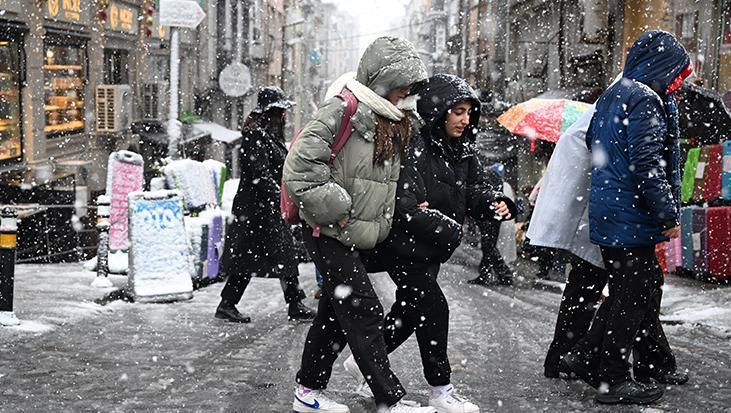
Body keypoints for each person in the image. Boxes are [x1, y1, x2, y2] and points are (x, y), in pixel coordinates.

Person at [343, 74, 516, 413]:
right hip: (402, 246)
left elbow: (475, 190)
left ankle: (364, 362)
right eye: (458, 112)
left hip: (429, 248)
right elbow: (406, 206)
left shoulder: (464, 152)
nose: (466, 120)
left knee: (409, 312)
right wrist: (450, 228)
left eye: (469, 112)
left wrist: (496, 201)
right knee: (434, 308)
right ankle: (441, 390)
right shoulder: (415, 146)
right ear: (439, 111)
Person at [284, 37, 436, 413]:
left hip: (348, 232)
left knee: (336, 314)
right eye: (401, 83)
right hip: (326, 229)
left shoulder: (391, 120)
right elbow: (300, 169)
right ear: (381, 80)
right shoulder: (343, 109)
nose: (406, 92)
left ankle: (307, 393)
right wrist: (338, 206)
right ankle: (389, 398)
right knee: (364, 309)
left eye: (410, 85)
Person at [561, 30, 693, 405]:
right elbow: (648, 162)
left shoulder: (613, 95)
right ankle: (612, 378)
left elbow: (593, 145)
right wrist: (666, 213)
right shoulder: (645, 99)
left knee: (637, 290)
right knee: (630, 297)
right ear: (662, 66)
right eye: (676, 74)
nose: (676, 83)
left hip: (611, 211)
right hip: (629, 216)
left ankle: (593, 357)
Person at [215, 86, 316, 323]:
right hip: (255, 212)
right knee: (255, 260)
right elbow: (259, 175)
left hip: (265, 210)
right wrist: (280, 197)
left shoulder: (269, 135)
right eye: (280, 111)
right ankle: (228, 304)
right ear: (269, 112)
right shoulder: (256, 136)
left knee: (279, 257)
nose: (284, 116)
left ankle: (293, 303)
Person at [468, 163, 516, 286]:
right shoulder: (503, 185)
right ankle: (492, 274)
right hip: (496, 221)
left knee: (489, 247)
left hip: (492, 220)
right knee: (489, 247)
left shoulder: (493, 184)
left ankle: (503, 274)